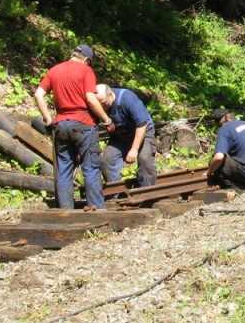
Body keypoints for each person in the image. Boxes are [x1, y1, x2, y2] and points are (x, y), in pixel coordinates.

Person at [34, 44, 113, 210]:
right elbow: (91, 99)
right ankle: (96, 209)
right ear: (86, 59)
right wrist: (106, 120)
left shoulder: (54, 70)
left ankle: (66, 211)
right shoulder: (86, 71)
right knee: (90, 167)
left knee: (64, 171)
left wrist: (48, 118)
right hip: (83, 124)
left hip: (61, 125)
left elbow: (38, 94)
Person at [96, 84, 157, 188]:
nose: (102, 107)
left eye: (104, 103)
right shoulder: (95, 103)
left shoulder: (128, 99)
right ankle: (117, 193)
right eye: (99, 105)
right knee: (107, 160)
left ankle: (147, 192)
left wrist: (134, 149)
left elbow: (142, 124)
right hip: (121, 136)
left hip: (143, 132)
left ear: (110, 94)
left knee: (144, 158)